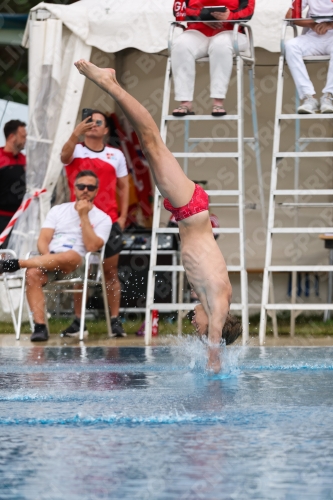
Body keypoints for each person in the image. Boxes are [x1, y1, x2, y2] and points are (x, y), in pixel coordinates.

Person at [73, 60, 242, 372]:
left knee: (150, 143)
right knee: (150, 138)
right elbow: (216, 339)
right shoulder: (219, 306)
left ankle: (111, 84)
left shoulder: (212, 301)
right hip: (191, 209)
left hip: (188, 211)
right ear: (215, 326)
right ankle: (109, 82)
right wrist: (214, 364)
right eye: (199, 329)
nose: (194, 326)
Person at [0, 170, 111, 342]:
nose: (85, 190)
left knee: (72, 255)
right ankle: (40, 327)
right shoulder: (58, 210)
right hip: (51, 260)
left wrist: (83, 215)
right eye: (81, 186)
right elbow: (43, 241)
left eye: (90, 187)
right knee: (32, 274)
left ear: (96, 191)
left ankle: (16, 263)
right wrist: (48, 260)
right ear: (74, 188)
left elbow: (92, 246)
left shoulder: (103, 218)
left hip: (80, 264)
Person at [61, 110, 129, 337]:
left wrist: (122, 216)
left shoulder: (115, 154)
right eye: (90, 121)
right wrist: (74, 134)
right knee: (82, 271)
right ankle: (78, 320)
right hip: (80, 218)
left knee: (110, 271)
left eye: (99, 122)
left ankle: (115, 320)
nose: (94, 125)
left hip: (108, 219)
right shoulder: (76, 149)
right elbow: (63, 157)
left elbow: (124, 186)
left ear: (106, 129)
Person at [171, 0, 255, 117]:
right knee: (180, 45)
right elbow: (178, 9)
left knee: (220, 44)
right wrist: (202, 15)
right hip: (198, 32)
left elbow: (248, 10)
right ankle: (185, 102)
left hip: (231, 32)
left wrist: (230, 16)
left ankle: (218, 101)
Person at [285, 0, 333, 114]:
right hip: (314, 36)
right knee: (290, 46)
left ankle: (329, 96)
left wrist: (329, 25)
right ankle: (308, 97)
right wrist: (312, 24)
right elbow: (289, 16)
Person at [0, 119, 27, 245]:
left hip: (20, 219)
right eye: (23, 136)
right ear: (12, 137)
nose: (25, 139)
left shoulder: (25, 160)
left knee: (12, 257)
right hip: (2, 218)